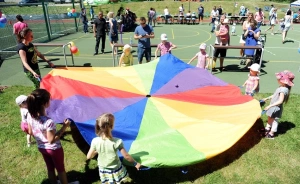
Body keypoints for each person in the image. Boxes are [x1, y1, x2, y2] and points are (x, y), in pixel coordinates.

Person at [26, 89, 75, 184]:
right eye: (49, 99)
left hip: (41, 148)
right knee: (60, 169)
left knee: (50, 168)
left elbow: (30, 131)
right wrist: (64, 127)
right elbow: (51, 140)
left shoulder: (30, 116)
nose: (50, 101)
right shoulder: (49, 122)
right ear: (45, 103)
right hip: (54, 149)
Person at [87, 113, 141, 183]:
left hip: (103, 168)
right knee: (116, 181)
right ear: (112, 126)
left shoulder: (95, 141)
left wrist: (98, 150)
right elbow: (126, 156)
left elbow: (89, 156)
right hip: (115, 168)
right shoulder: (117, 141)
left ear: (99, 125)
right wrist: (135, 163)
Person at [260, 70, 295, 139]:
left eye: (279, 79)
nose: (278, 80)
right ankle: (267, 129)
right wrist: (267, 98)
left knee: (274, 121)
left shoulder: (283, 90)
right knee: (270, 117)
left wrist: (270, 106)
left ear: (283, 81)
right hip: (273, 107)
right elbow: (275, 95)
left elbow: (280, 101)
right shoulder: (282, 87)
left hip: (276, 108)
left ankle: (271, 134)